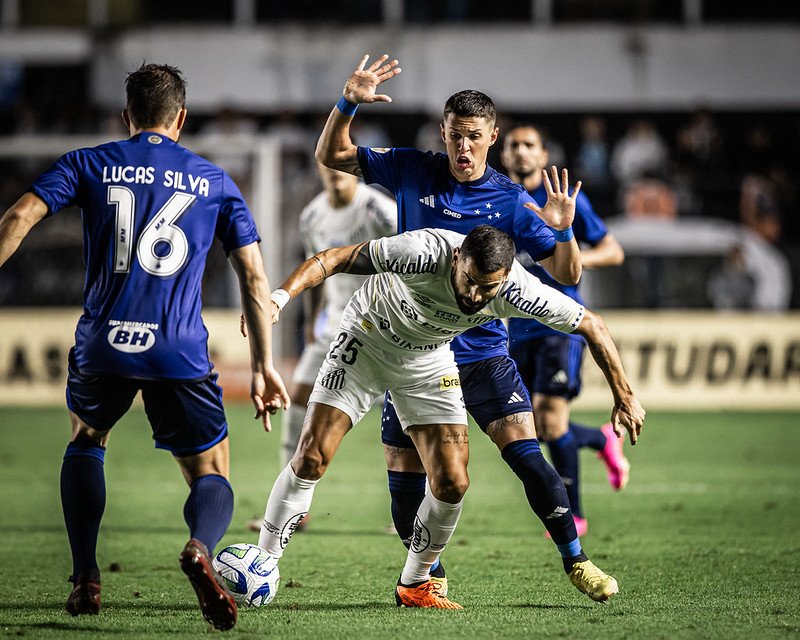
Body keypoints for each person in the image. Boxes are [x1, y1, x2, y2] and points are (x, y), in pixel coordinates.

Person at [0, 63, 290, 631]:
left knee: (87, 439)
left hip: (103, 343)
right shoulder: (215, 181)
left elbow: (18, 216)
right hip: (178, 349)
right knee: (211, 468)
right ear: (181, 117)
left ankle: (85, 574)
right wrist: (262, 365)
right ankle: (201, 548)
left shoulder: (89, 162)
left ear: (125, 116)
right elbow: (255, 280)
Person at [314, 53, 600, 599]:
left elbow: (566, 274)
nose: (462, 148)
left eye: (473, 136)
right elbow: (331, 152)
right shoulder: (410, 168)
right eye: (454, 136)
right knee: (406, 483)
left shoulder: (513, 202)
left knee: (527, 453)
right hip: (413, 356)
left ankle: (576, 560)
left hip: (483, 353)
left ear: (491, 136)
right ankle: (428, 578)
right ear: (442, 134)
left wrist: (562, 231)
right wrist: (347, 101)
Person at [255, 223, 645, 609]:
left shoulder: (518, 290)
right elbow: (333, 258)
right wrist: (278, 298)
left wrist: (625, 396)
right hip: (366, 340)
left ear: (505, 277)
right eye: (469, 279)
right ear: (457, 258)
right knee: (311, 456)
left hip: (427, 362)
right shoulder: (421, 251)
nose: (474, 295)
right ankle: (265, 563)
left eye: (487, 288)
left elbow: (593, 325)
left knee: (453, 481)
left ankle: (415, 583)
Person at [246, 162, 396, 533]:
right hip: (334, 324)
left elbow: (409, 258)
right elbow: (318, 270)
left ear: (354, 167)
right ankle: (293, 510)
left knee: (402, 416)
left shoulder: (379, 208)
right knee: (296, 396)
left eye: (340, 165)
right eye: (326, 166)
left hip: (385, 323)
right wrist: (313, 320)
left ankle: (407, 512)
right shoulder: (312, 214)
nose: (334, 172)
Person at [500, 123, 626, 536]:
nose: (520, 152)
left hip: (561, 323)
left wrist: (564, 259)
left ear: (542, 155)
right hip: (517, 325)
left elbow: (613, 250)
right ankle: (601, 440)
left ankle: (574, 515)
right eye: (513, 145)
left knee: (551, 423)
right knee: (534, 424)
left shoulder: (564, 198)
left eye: (529, 145)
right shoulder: (498, 198)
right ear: (503, 155)